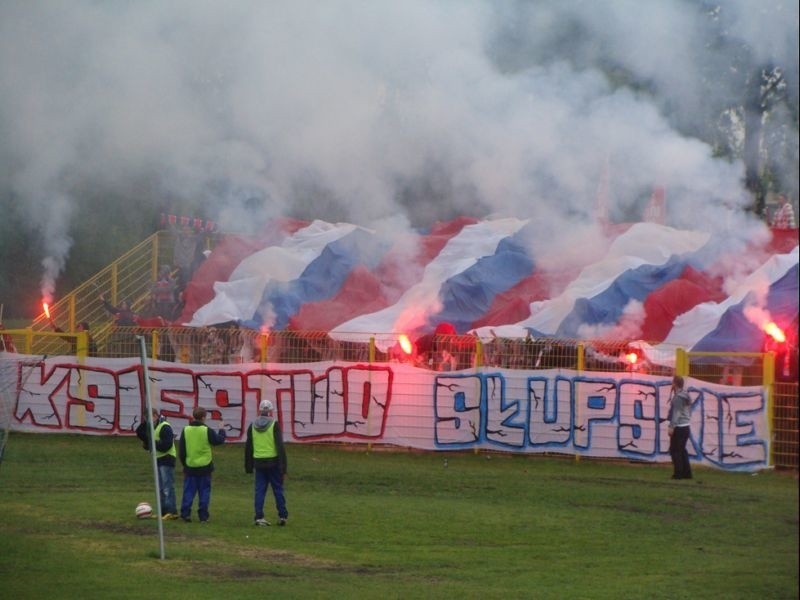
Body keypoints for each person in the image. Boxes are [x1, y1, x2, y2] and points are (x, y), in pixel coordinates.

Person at [178, 406, 226, 523]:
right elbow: (218, 440)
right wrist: (222, 430)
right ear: (203, 418)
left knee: (188, 491)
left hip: (190, 466)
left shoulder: (186, 430)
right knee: (204, 492)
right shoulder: (206, 430)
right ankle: (203, 516)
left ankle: (185, 514)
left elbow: (182, 450)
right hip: (205, 467)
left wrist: (185, 464)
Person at [245, 399, 288, 527]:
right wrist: (283, 467)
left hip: (258, 462)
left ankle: (259, 516)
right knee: (278, 489)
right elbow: (280, 446)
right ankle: (282, 515)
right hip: (273, 462)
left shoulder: (252, 425)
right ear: (270, 411)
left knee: (260, 490)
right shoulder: (274, 424)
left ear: (259, 410)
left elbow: (249, 446)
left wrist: (248, 465)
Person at [135, 408, 179, 520]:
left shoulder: (164, 426)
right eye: (146, 418)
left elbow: (167, 445)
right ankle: (163, 512)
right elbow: (141, 434)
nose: (148, 420)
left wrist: (152, 444)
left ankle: (171, 511)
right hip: (158, 459)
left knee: (167, 486)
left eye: (149, 417)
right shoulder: (152, 428)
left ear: (155, 415)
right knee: (160, 487)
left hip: (167, 458)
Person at [668, 375, 693, 480]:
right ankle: (687, 473)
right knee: (682, 450)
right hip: (686, 426)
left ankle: (678, 474)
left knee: (675, 450)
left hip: (679, 427)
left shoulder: (678, 397)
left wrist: (672, 426)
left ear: (675, 384)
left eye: (672, 382)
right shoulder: (685, 395)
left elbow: (676, 413)